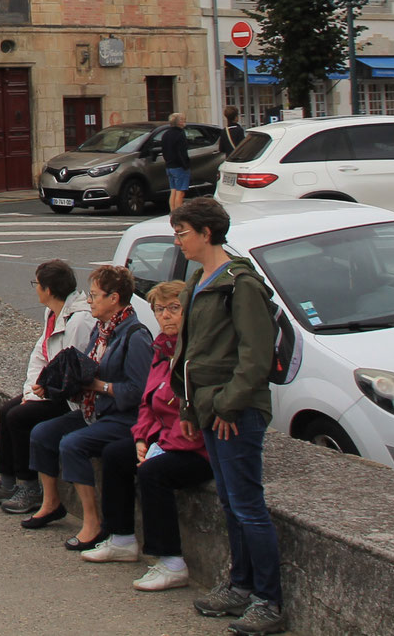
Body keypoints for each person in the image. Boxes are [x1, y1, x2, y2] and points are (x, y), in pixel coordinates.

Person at [172, 197, 286, 635]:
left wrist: (227, 404)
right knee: (231, 502)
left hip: (234, 411)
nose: (178, 241)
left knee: (248, 505)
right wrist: (187, 405)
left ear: (206, 233)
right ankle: (240, 585)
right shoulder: (199, 280)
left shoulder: (240, 284)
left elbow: (255, 355)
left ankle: (267, 600)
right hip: (209, 407)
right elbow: (190, 353)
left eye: (183, 233)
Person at [83, 280, 213, 591]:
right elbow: (147, 405)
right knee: (117, 453)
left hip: (198, 448)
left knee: (153, 473)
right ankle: (122, 538)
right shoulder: (162, 348)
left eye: (173, 308)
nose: (166, 316)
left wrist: (159, 448)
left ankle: (171, 561)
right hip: (164, 441)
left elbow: (192, 418)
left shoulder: (198, 353)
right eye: (159, 309)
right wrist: (141, 440)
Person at [23, 265, 153, 552]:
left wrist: (98, 386)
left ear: (114, 298)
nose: (89, 300)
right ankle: (51, 503)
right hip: (96, 411)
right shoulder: (102, 329)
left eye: (94, 295)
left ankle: (92, 523)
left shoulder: (136, 336)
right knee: (42, 434)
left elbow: (139, 392)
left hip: (121, 417)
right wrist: (55, 384)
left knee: (72, 444)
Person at [0, 259, 93, 514]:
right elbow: (40, 354)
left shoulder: (78, 321)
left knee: (19, 417)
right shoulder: (52, 312)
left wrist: (44, 392)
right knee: (7, 410)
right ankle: (6, 481)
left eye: (37, 284)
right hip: (47, 390)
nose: (35, 289)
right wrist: (31, 392)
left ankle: (30, 487)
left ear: (48, 290)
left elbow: (74, 369)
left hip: (69, 398)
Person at [158, 113, 192, 213]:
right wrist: (186, 165)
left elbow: (164, 150)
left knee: (173, 191)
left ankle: (172, 212)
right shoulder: (180, 134)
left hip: (169, 165)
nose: (185, 122)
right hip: (179, 166)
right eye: (183, 120)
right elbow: (181, 152)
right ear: (180, 122)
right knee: (180, 193)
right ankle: (178, 213)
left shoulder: (166, 134)